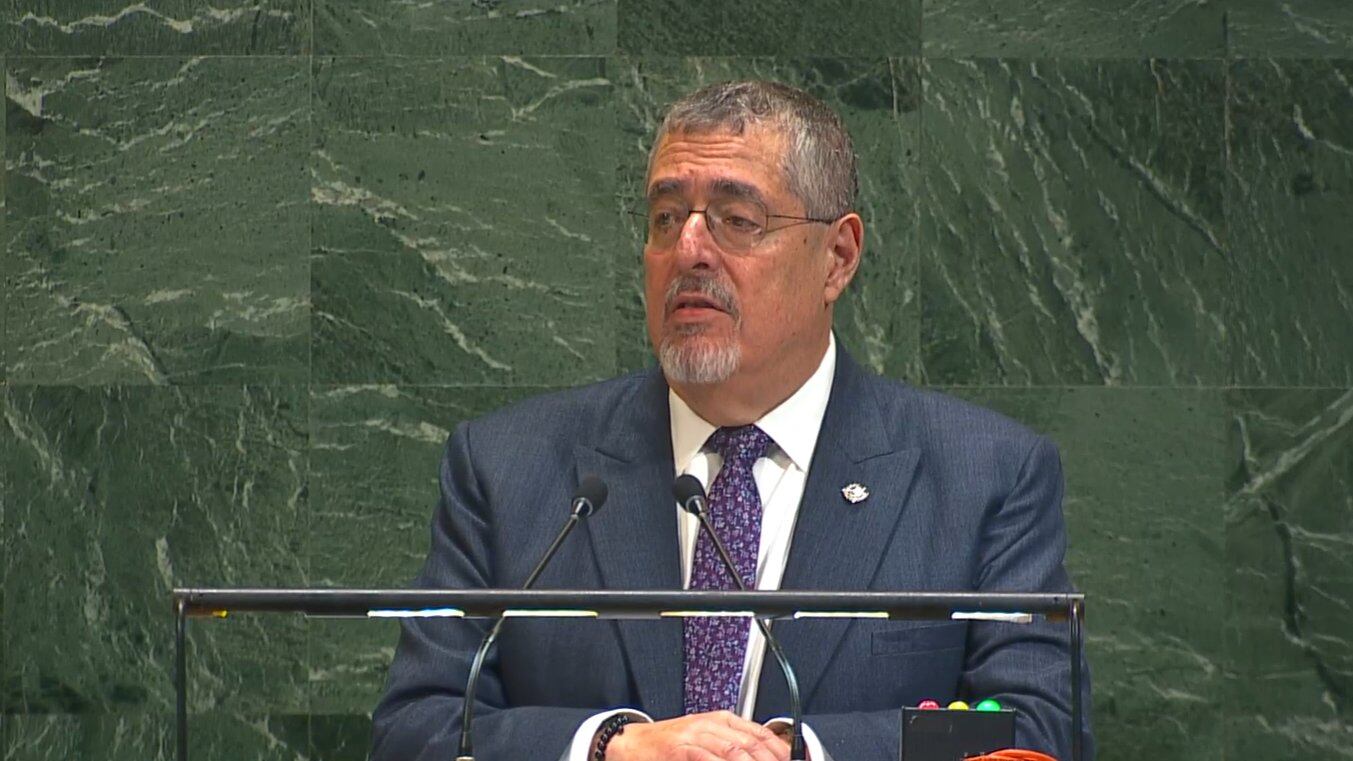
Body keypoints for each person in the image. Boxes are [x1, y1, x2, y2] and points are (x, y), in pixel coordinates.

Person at [371, 80, 1093, 761]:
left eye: (737, 220)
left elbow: (1035, 727)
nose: (688, 250)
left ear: (837, 257)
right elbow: (416, 726)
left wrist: (799, 751)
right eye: (665, 218)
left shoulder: (983, 474)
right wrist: (607, 745)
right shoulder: (508, 465)